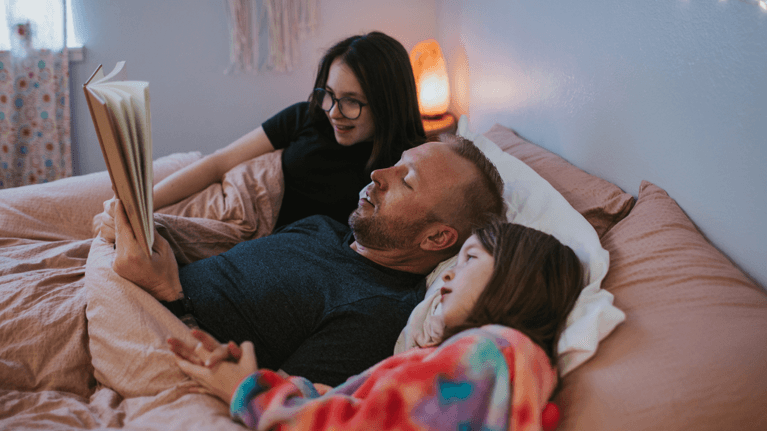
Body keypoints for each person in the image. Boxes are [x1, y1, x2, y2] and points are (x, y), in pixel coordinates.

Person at [110, 136, 506, 386]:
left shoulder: (374, 311)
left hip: (159, 328)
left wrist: (166, 291)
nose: (379, 173)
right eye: (396, 163)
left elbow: (272, 402)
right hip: (140, 280)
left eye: (407, 180)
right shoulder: (325, 228)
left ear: (436, 237)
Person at [168, 218, 585, 431]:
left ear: (517, 279)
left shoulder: (492, 351)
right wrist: (262, 380)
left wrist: (249, 392)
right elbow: (374, 412)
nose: (449, 277)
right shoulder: (503, 366)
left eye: (469, 260)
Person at [152, 31, 426, 230]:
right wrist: (143, 203)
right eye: (328, 94)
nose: (333, 112)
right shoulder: (307, 116)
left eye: (352, 101)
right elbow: (219, 162)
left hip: (264, 238)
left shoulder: (403, 168)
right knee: (127, 211)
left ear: (388, 104)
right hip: (232, 192)